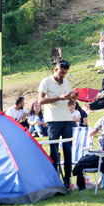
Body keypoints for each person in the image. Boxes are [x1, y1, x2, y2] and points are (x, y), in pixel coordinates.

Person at [38, 60, 79, 188]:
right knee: (54, 151)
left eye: (65, 73)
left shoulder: (67, 82)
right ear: (56, 70)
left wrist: (73, 99)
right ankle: (54, 180)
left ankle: (67, 181)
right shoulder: (46, 81)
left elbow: (70, 104)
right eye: (61, 73)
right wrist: (60, 98)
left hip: (67, 119)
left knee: (68, 150)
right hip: (53, 120)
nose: (63, 76)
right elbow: (40, 101)